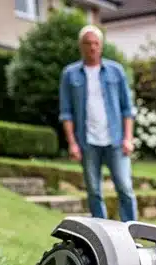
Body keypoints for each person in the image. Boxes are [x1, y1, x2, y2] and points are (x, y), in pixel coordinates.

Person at [59, 25, 138, 222]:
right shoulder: (70, 74)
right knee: (94, 191)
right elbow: (66, 112)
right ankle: (102, 236)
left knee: (125, 188)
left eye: (96, 43)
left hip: (116, 141)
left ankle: (132, 234)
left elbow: (127, 109)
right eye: (88, 43)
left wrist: (128, 138)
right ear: (81, 46)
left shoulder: (115, 71)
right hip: (88, 142)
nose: (92, 48)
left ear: (101, 46)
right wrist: (72, 143)